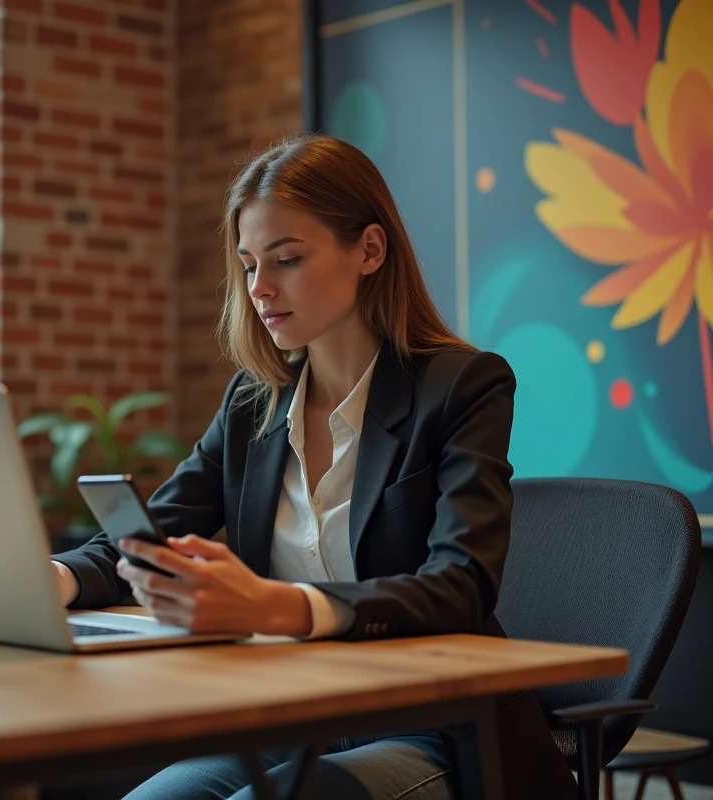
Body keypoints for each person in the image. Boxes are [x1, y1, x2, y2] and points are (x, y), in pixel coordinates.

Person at [48, 134, 576, 800]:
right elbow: (145, 535)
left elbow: (461, 587)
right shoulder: (253, 404)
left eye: (287, 259)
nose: (260, 288)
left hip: (434, 729)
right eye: (248, 266)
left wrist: (280, 606)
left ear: (370, 250)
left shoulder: (462, 387)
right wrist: (53, 580)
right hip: (298, 722)